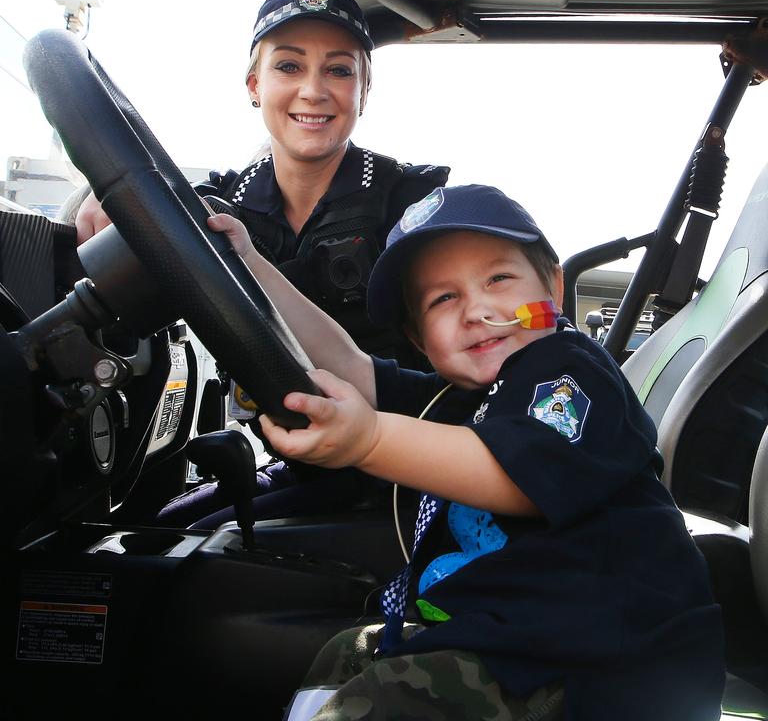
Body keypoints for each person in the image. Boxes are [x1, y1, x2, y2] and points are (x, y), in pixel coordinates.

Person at [206, 183, 725, 720]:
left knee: (390, 699)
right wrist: (249, 263)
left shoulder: (567, 372)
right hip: (507, 639)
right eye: (442, 299)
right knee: (346, 654)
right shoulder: (458, 397)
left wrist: (369, 440)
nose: (476, 309)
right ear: (419, 338)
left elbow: (515, 477)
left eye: (498, 278)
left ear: (553, 287)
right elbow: (349, 366)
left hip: (599, 664)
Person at [72, 0, 449, 528]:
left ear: (365, 91)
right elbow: (155, 212)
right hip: (300, 465)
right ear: (254, 84)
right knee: (144, 537)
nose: (314, 91)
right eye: (289, 67)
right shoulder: (221, 208)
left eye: (340, 71)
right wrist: (110, 199)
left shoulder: (414, 203)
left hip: (405, 475)